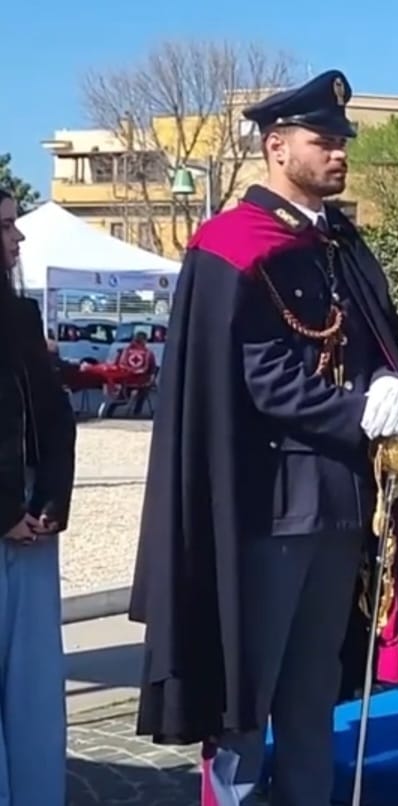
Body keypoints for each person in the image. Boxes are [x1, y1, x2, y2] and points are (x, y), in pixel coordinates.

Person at [131, 71, 398, 801]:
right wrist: (357, 412)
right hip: (269, 509)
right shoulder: (232, 245)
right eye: (324, 141)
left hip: (342, 502)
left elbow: (372, 337)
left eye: (343, 141)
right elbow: (262, 377)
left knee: (313, 699)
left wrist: (389, 379)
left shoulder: (335, 241)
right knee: (246, 701)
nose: (339, 153)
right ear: (277, 147)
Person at [0, 188, 76, 805]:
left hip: (29, 519)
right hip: (8, 515)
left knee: (33, 687)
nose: (17, 238)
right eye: (5, 226)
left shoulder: (21, 316)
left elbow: (52, 417)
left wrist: (49, 498)